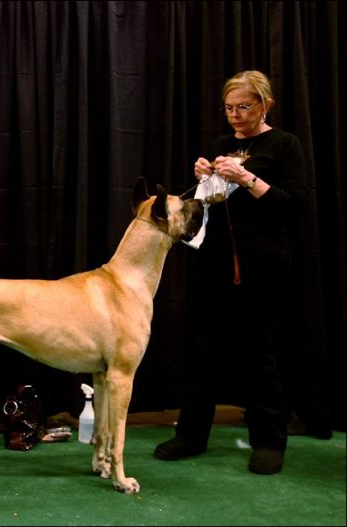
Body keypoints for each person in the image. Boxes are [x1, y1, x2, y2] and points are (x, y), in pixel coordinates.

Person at [153, 71, 309, 475]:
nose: (235, 116)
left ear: (265, 105)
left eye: (244, 107)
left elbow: (293, 207)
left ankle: (269, 442)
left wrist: (248, 178)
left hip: (265, 258)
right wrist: (205, 177)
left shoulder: (284, 144)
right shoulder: (222, 144)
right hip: (214, 256)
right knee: (201, 347)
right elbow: (212, 203)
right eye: (229, 108)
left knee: (260, 348)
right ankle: (191, 435)